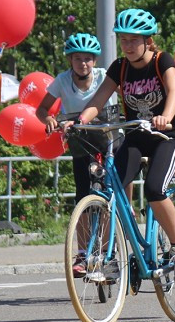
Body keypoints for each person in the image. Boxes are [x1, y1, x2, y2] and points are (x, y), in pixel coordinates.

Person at [54, 8, 175, 283]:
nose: (128, 46)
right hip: (135, 136)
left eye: (133, 40)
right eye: (123, 40)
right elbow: (98, 100)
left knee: (155, 189)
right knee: (110, 189)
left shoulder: (161, 61)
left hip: (166, 136)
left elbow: (174, 92)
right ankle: (111, 259)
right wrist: (80, 120)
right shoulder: (119, 67)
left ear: (147, 40)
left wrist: (165, 116)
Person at [35, 32, 119, 277]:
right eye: (78, 59)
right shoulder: (62, 81)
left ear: (94, 60)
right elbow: (41, 109)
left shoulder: (104, 77)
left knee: (113, 186)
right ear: (70, 60)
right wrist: (49, 118)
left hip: (107, 135)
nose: (84, 63)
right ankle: (83, 253)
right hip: (81, 139)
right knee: (83, 198)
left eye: (88, 59)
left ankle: (107, 249)